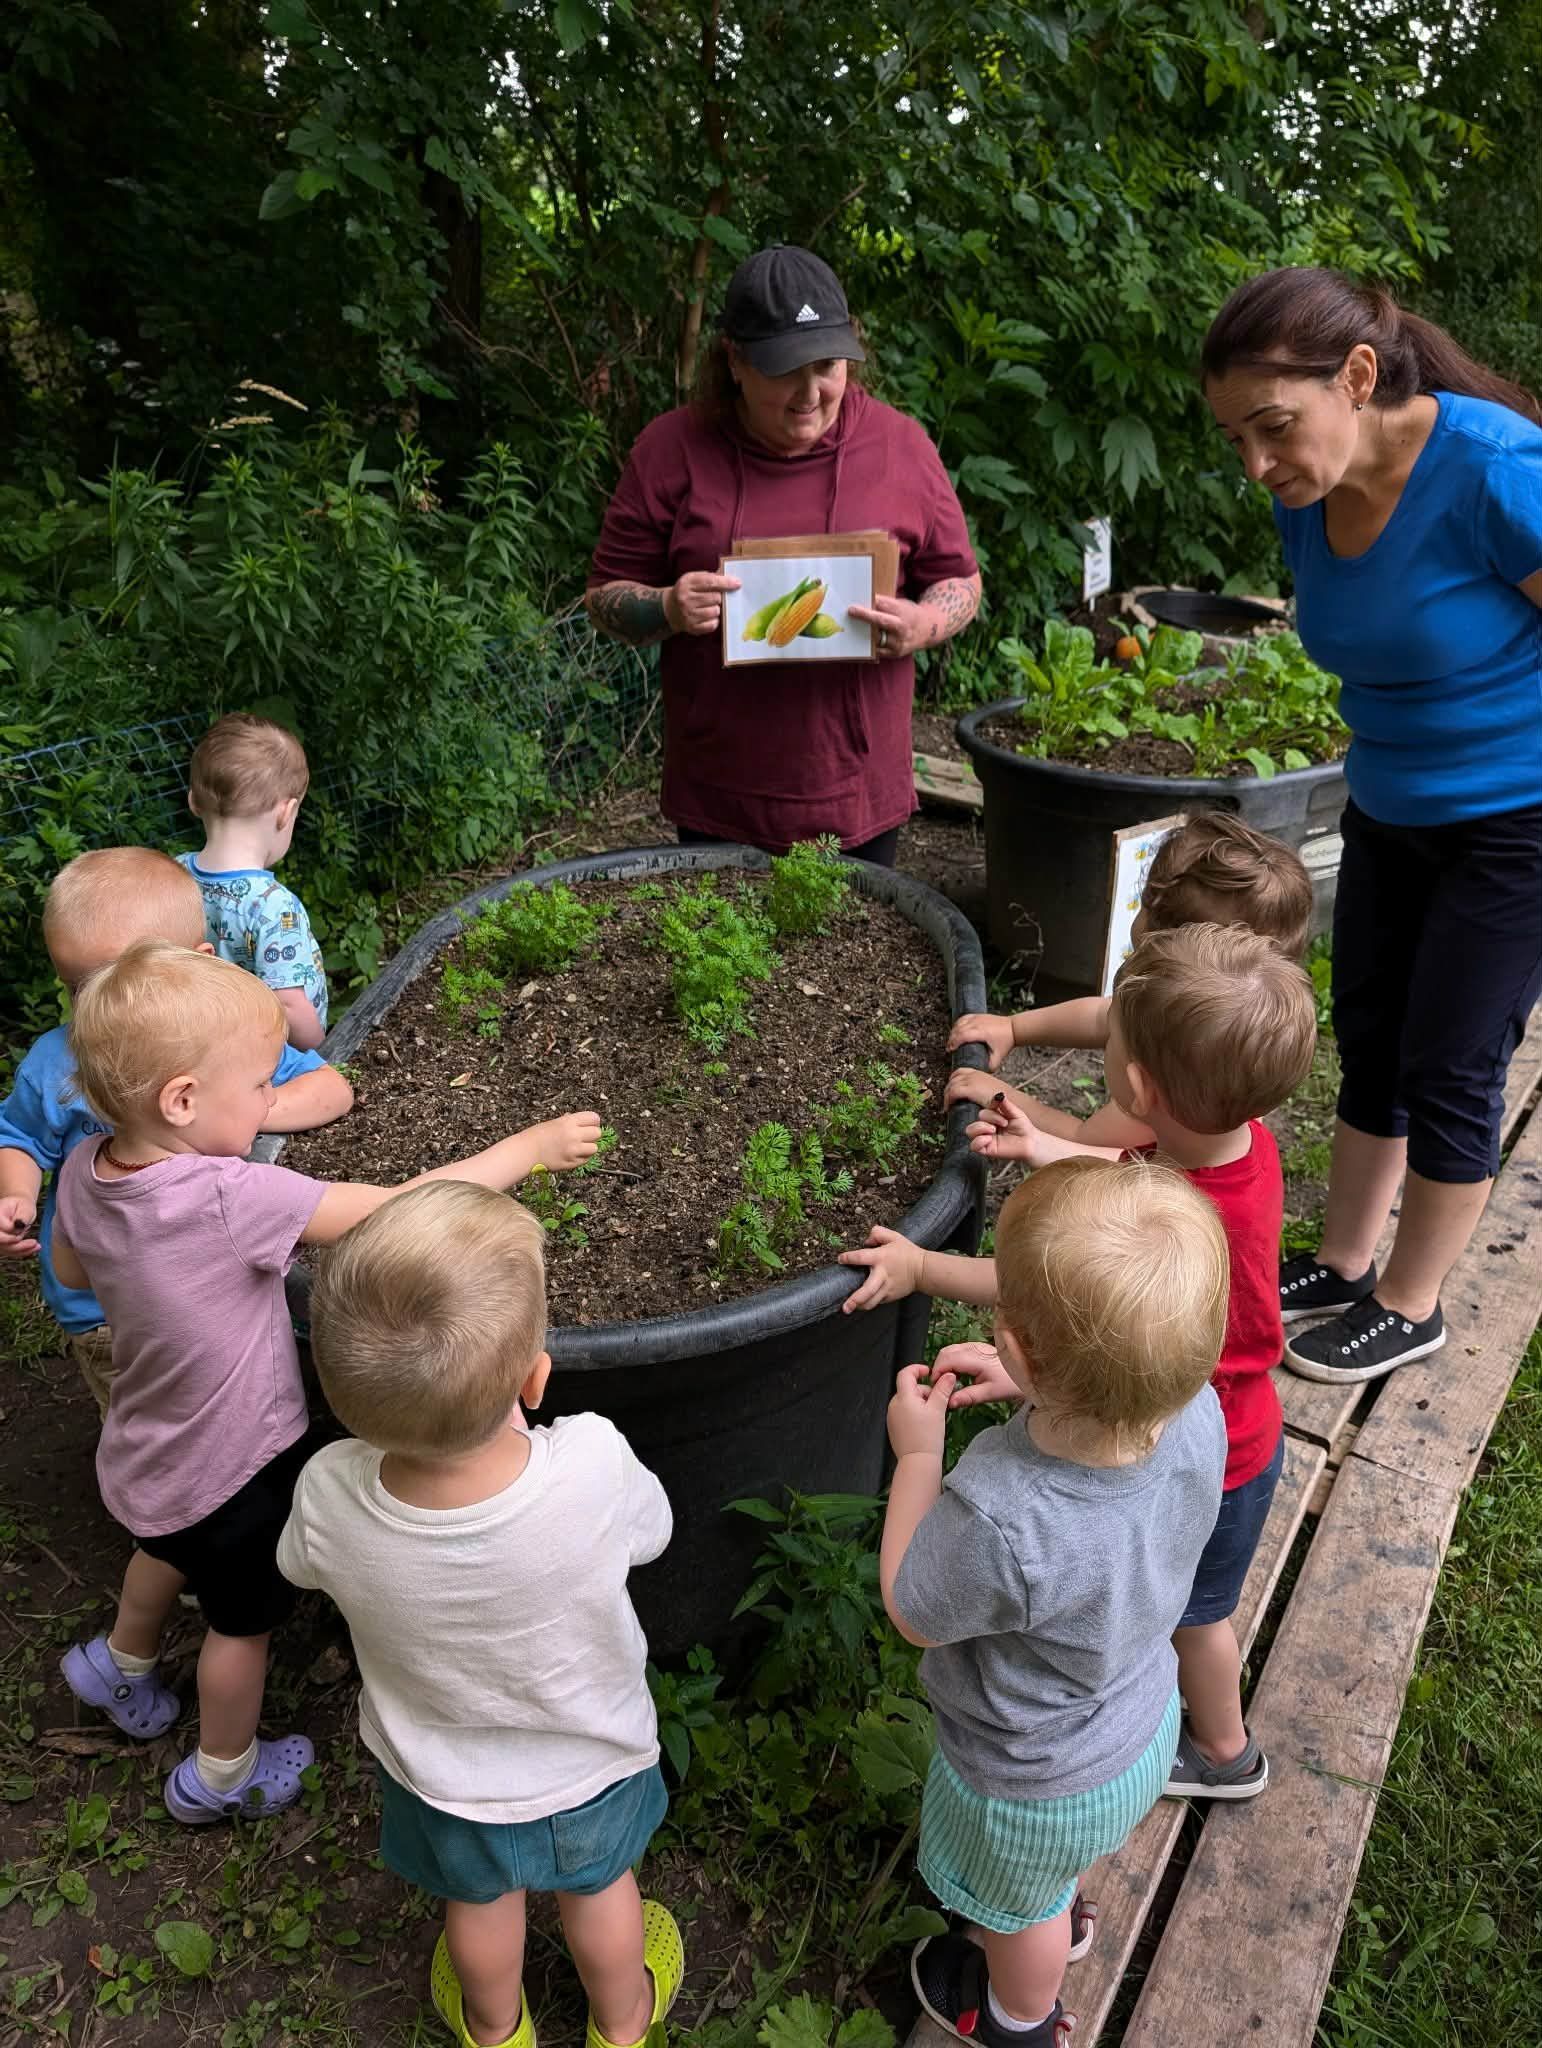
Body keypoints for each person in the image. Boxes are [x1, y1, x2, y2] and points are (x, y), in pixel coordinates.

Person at [50, 942, 601, 1824]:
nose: (273, 1103)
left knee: (161, 1547)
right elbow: (404, 1206)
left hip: (145, 1446)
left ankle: (120, 1664)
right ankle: (222, 1773)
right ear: (183, 1100)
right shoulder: (231, 1196)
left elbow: (72, 1270)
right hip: (236, 1466)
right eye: (262, 1088)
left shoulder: (84, 1169)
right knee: (241, 1625)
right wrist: (528, 1149)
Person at [845, 925, 1319, 1801]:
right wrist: (1052, 1148)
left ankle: (1223, 1751)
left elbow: (1049, 1290)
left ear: (1136, 1084)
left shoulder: (1178, 1210)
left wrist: (919, 1268)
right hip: (1204, 1420)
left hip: (1216, 1454)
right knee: (1158, 1595)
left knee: (1195, 1617)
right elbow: (1125, 1168)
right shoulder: (1228, 1145)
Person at [1202, 266, 1542, 1383]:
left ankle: (1414, 1297)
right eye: (1238, 438)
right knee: (1375, 1032)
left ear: (1356, 376)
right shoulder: (1306, 493)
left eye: (1274, 427)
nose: (1257, 464)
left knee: (1452, 1054)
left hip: (1516, 819)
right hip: (1389, 803)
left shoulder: (1494, 470)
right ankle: (1348, 1262)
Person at [278, 1182, 682, 2048]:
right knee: (604, 1891)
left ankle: (496, 2031)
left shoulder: (328, 1492)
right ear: (537, 1377)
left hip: (445, 1776)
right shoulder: (593, 1463)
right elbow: (653, 1534)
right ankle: (624, 2024)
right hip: (591, 1755)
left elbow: (299, 1567)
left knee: (479, 1907)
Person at [883, 1157, 1228, 2048]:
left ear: (1021, 1348)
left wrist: (919, 1458)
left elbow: (914, 1609)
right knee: (1051, 1877)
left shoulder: (1002, 1513)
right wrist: (1047, 1392)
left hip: (1027, 1781)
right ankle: (1060, 1917)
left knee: (1017, 1909)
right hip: (1143, 1722)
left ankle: (1020, 2017)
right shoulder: (1194, 1411)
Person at [585, 245, 982, 860]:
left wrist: (924, 624)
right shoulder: (671, 450)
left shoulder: (900, 447)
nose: (809, 393)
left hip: (857, 794)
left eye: (827, 366)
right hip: (718, 796)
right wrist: (665, 606)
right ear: (735, 362)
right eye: (784, 371)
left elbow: (960, 579)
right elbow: (604, 598)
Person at [0, 848, 353, 1417]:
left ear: (197, 964)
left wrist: (243, 1104)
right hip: (102, 1308)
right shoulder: (53, 1062)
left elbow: (332, 1090)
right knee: (142, 1419)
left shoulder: (224, 1038)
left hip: (210, 1288)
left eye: (120, 982)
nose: (96, 1010)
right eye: (77, 987)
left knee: (229, 1411)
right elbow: (17, 1136)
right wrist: (14, 1194)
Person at [942, 811, 1313, 1150]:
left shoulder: (1180, 1085)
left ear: (1168, 944)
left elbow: (1087, 1144)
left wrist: (998, 1094)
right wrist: (1014, 1028)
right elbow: (1104, 1017)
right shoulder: (1182, 1010)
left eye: (1145, 905)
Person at [179, 713, 330, 1049]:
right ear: (285, 813)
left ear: (193, 801)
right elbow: (288, 1004)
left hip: (202, 1045)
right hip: (270, 1056)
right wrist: (320, 1047)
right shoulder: (273, 906)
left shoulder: (175, 877)